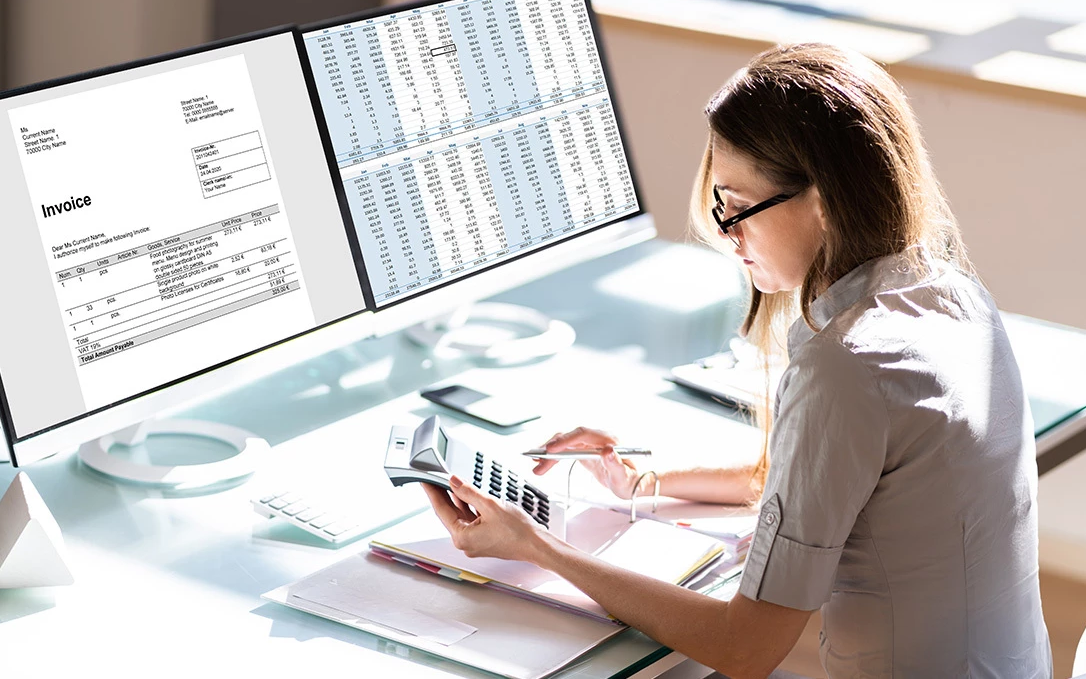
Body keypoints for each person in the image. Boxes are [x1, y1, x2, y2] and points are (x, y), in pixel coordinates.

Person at [422, 42, 1051, 678]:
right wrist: (642, 481)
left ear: (824, 199)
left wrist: (536, 546)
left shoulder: (846, 365)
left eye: (736, 206)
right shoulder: (952, 294)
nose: (728, 234)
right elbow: (810, 480)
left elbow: (745, 649)